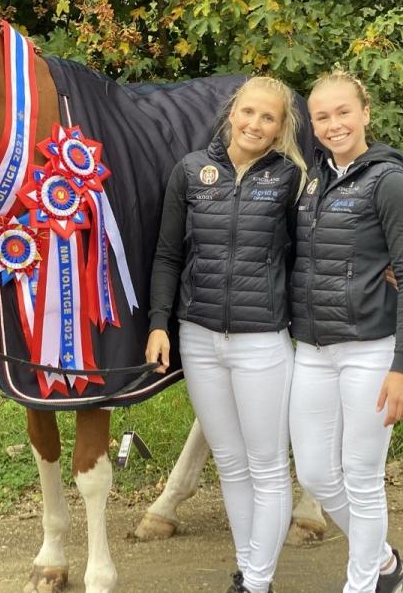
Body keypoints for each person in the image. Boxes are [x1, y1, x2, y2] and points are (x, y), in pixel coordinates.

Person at [146, 76, 307, 593]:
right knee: (232, 465)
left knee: (267, 466)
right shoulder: (192, 171)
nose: (255, 124)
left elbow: (316, 248)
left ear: (281, 128)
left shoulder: (291, 179)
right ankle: (250, 570)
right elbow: (168, 255)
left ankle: (256, 583)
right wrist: (159, 323)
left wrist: (380, 267)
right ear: (232, 112)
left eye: (268, 117)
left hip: (263, 342)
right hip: (198, 339)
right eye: (248, 112)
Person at [288, 70, 403, 593]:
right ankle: (387, 563)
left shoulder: (388, 180)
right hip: (313, 349)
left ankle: (363, 584)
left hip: (370, 350)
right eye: (322, 116)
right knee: (316, 475)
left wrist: (402, 367)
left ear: (365, 113)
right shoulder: (309, 178)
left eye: (343, 112)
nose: (334, 124)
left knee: (362, 478)